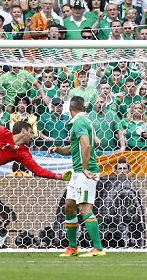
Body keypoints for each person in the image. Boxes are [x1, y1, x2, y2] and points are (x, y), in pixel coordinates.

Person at [47, 96, 105, 257]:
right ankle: (72, 247)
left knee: (85, 208)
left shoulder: (79, 123)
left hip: (85, 171)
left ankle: (98, 248)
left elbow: (86, 145)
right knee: (69, 206)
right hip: (77, 172)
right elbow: (75, 148)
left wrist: (85, 168)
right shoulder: (84, 122)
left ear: (70, 109)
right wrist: (57, 149)